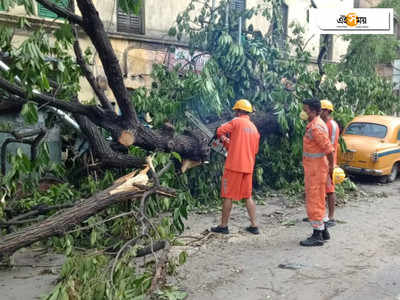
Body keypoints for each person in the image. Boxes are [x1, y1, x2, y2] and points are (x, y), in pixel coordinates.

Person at [211, 99, 260, 235]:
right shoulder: (254, 128)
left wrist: (224, 139)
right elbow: (254, 150)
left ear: (238, 111)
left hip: (234, 166)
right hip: (248, 167)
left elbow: (220, 131)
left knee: (228, 195)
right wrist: (230, 143)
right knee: (248, 196)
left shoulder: (236, 121)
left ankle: (223, 225)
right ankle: (254, 225)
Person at [300, 98, 334, 247]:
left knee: (314, 201)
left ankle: (317, 234)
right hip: (316, 169)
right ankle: (324, 230)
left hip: (316, 170)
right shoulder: (318, 124)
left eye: (306, 110)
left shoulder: (316, 127)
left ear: (313, 111)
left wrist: (332, 167)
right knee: (319, 200)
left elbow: (329, 149)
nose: (304, 113)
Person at [320, 99, 340, 228]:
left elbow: (330, 147)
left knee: (329, 190)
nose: (319, 112)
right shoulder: (324, 124)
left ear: (327, 111)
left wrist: (331, 165)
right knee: (321, 189)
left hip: (328, 163)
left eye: (321, 110)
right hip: (323, 162)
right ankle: (320, 214)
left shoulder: (331, 125)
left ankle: (331, 217)